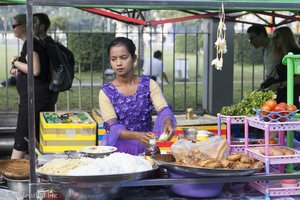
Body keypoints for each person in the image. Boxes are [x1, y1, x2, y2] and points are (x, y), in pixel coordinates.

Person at [99, 37, 176, 155]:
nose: (118, 63)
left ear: (133, 58)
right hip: (118, 150)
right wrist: (136, 136)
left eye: (124, 58)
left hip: (146, 148)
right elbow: (113, 127)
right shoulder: (106, 92)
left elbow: (163, 108)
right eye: (113, 59)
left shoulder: (149, 84)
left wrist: (168, 123)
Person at [10, 14, 53, 159]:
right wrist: (18, 66)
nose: (12, 29)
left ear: (24, 26)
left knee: (22, 134)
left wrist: (15, 62)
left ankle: (10, 174)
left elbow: (35, 69)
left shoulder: (30, 43)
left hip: (33, 99)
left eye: (14, 25)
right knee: (33, 135)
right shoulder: (34, 42)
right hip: (38, 97)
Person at [268, 26, 300, 108]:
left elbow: (299, 78)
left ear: (285, 37)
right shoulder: (284, 54)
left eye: (277, 37)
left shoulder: (296, 53)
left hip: (294, 95)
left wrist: (279, 84)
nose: (274, 40)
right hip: (285, 94)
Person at [33, 13, 59, 110]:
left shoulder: (46, 44)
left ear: (41, 27)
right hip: (47, 89)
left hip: (47, 90)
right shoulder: (46, 43)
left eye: (34, 23)